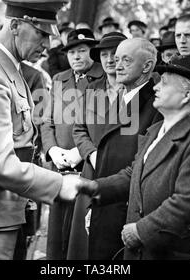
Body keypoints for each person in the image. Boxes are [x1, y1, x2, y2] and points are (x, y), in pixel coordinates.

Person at [0, 0, 84, 260]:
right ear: (14, 27)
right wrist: (58, 184)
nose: (47, 44)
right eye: (41, 34)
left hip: (0, 203)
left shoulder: (8, 66)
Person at [80, 57, 190, 260]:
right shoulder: (155, 130)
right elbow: (133, 175)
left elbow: (186, 203)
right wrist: (89, 188)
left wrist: (140, 230)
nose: (156, 87)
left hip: (167, 253)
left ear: (187, 96)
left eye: (164, 82)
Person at [85, 38, 163, 260]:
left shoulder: (155, 104)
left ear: (147, 66)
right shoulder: (123, 97)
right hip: (107, 204)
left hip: (127, 214)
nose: (116, 65)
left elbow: (144, 166)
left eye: (126, 60)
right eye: (116, 59)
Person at [41, 28, 104, 259]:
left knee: (80, 235)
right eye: (71, 52)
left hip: (87, 164)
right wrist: (52, 149)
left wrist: (80, 152)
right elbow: (46, 121)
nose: (76, 57)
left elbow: (106, 124)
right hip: (59, 166)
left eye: (82, 51)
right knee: (57, 233)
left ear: (92, 52)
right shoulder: (59, 79)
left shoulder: (104, 78)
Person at [67, 32, 127, 259]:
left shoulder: (137, 90)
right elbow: (78, 129)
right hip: (91, 169)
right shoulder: (91, 89)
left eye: (116, 54)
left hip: (122, 174)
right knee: (84, 241)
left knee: (113, 241)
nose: (110, 59)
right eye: (104, 54)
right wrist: (91, 154)